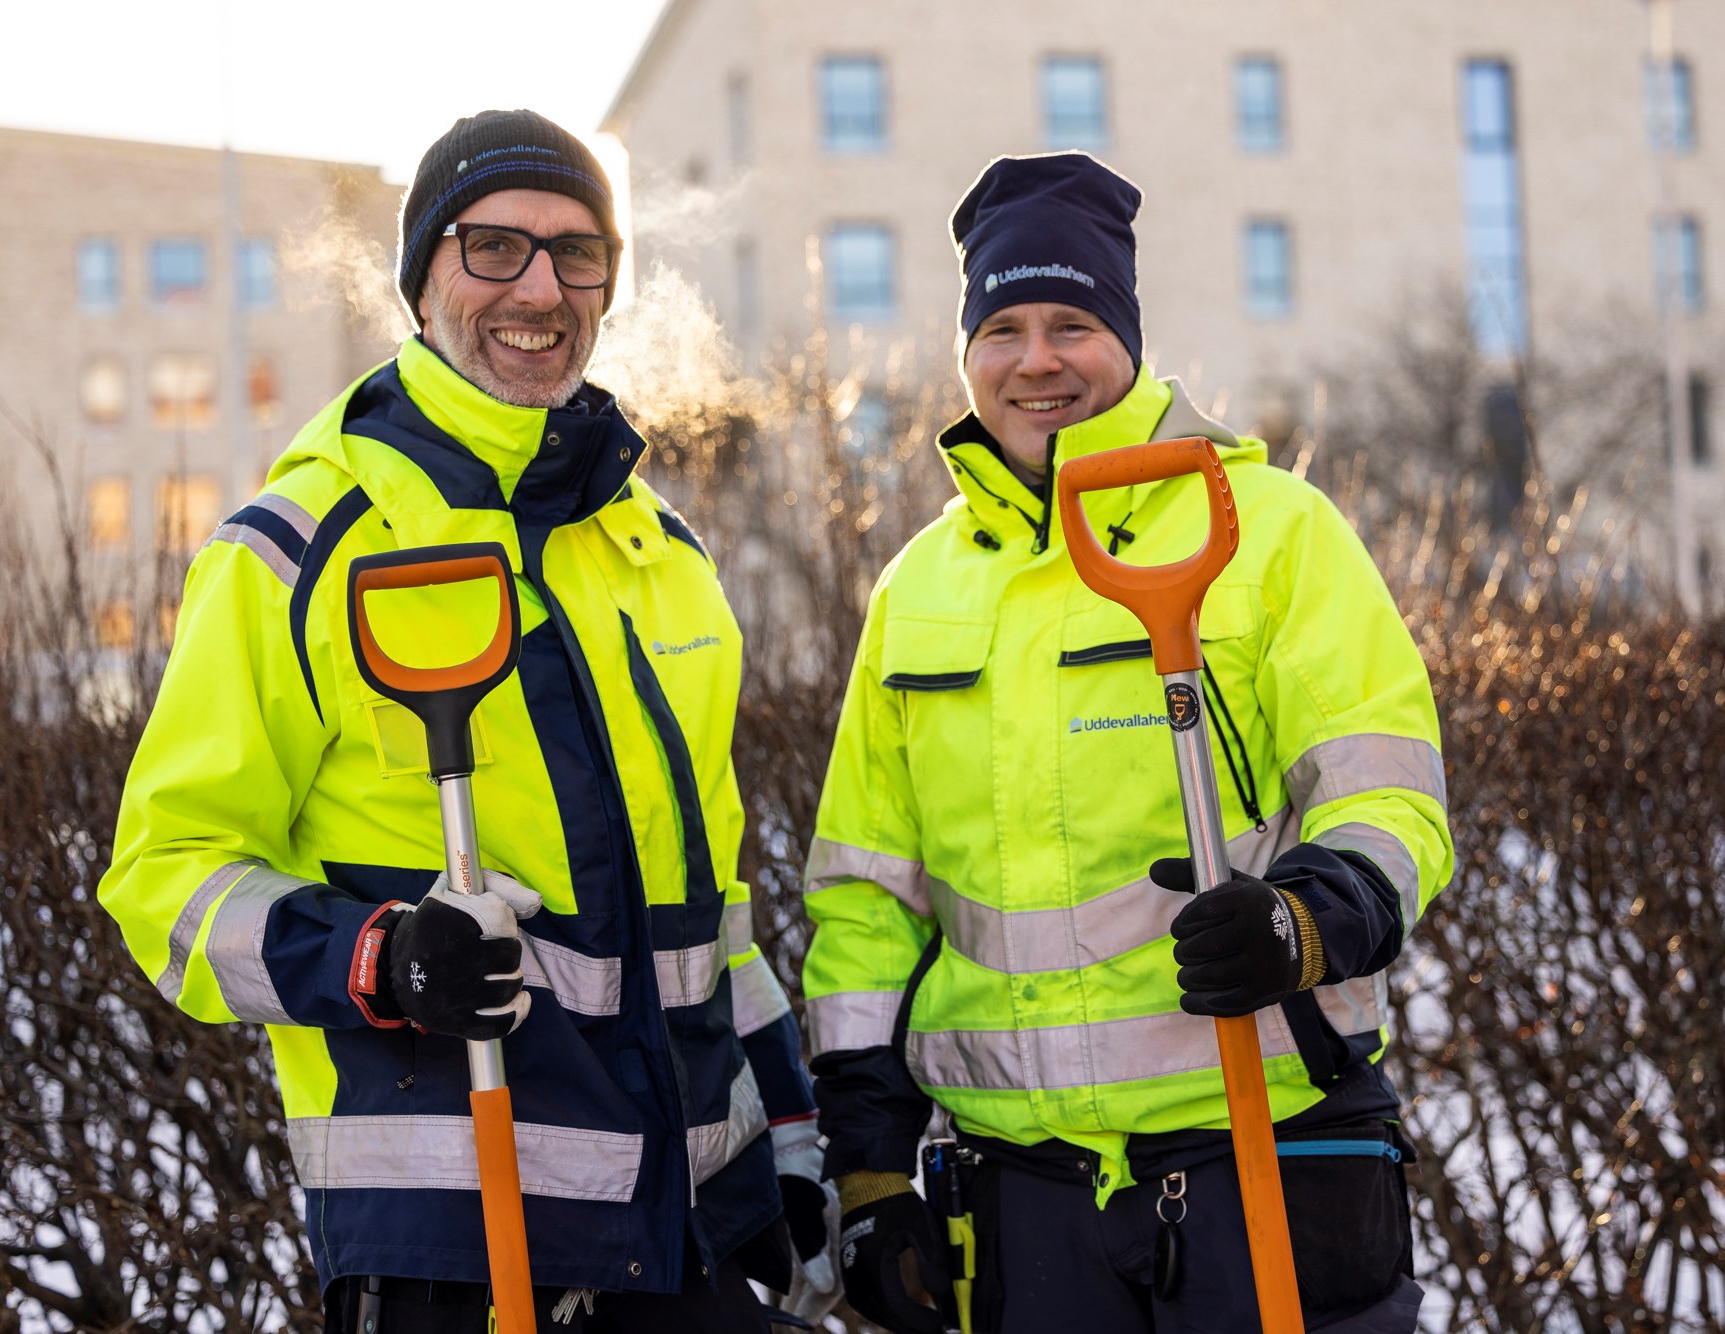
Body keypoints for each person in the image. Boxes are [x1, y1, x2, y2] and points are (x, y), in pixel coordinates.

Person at [99, 110, 838, 1332]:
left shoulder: (661, 556)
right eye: (493, 246)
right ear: (422, 279)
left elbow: (712, 919)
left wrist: (789, 1148)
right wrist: (380, 956)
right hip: (452, 1240)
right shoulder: (298, 549)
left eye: (579, 250)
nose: (540, 286)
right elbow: (164, 881)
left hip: (691, 1228)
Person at [801, 152, 1454, 1333]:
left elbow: (1386, 794)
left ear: (1130, 337)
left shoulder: (1268, 530)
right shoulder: (919, 588)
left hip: (1263, 1147)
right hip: (1022, 1197)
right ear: (965, 352)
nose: (1035, 359)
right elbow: (863, 902)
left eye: (1071, 322)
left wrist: (1303, 919)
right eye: (1000, 326)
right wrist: (871, 1166)